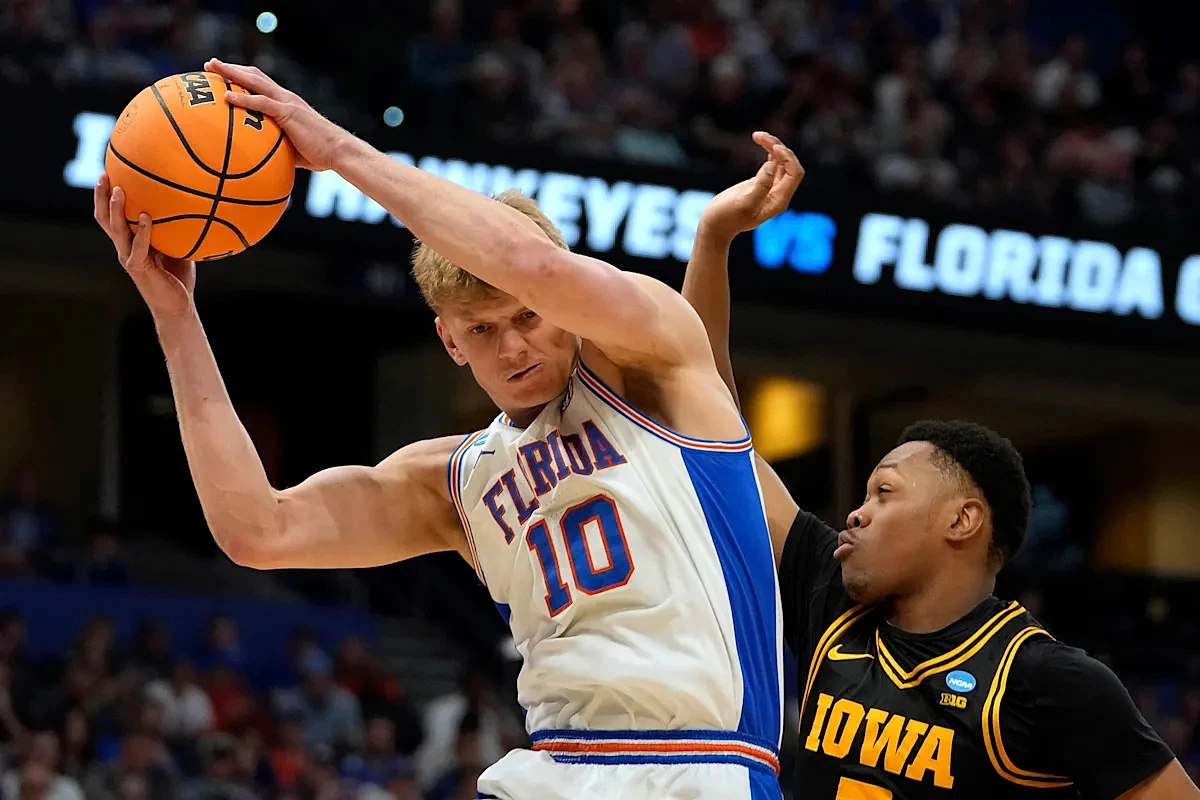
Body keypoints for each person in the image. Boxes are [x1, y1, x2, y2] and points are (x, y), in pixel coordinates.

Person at [92, 59, 805, 800]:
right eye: (483, 330)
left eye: (527, 316)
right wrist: (175, 314)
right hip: (551, 768)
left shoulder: (651, 363)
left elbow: (528, 263)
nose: (514, 346)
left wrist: (338, 150)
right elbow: (256, 529)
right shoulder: (456, 480)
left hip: (702, 766)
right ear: (450, 341)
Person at [679, 133, 1200, 799]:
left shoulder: (1045, 680)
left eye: (885, 492)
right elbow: (707, 413)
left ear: (961, 520)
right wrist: (714, 237)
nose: (856, 513)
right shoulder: (832, 601)